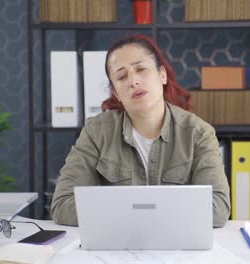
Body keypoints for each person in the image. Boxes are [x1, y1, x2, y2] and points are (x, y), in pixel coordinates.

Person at [51, 34, 231, 227]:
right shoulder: (96, 132)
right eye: (121, 76)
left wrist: (122, 213)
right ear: (116, 93)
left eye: (141, 69)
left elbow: (218, 208)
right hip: (116, 249)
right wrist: (160, 214)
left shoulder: (199, 133)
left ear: (162, 75)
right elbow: (62, 206)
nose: (133, 81)